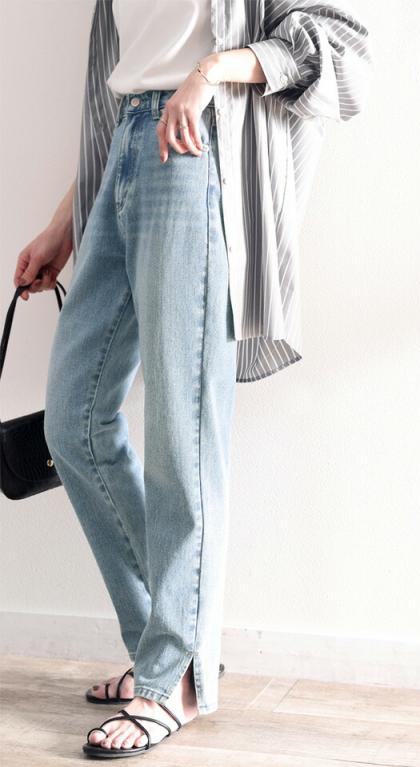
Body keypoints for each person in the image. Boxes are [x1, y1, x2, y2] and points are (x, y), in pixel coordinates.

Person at [13, 0, 372, 758]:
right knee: (73, 422)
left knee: (183, 434)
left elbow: (337, 47)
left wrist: (210, 72)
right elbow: (123, 83)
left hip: (197, 150)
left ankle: (171, 675)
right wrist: (64, 225)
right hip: (125, 149)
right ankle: (173, 646)